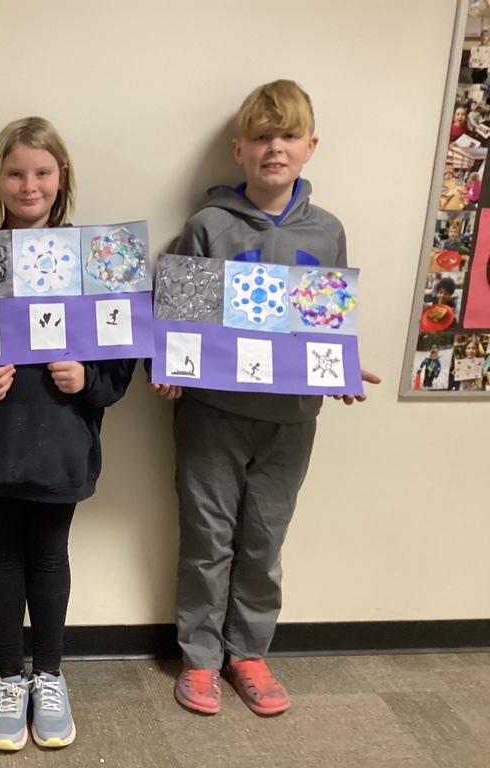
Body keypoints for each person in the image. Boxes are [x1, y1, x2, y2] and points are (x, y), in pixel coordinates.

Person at [151, 81, 380, 717]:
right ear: (239, 149)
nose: (273, 148)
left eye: (286, 136)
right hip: (211, 415)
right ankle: (199, 658)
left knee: (264, 540)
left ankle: (247, 652)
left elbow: (325, 325)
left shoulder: (327, 231)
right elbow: (177, 319)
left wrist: (343, 369)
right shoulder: (208, 226)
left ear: (310, 147)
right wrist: (170, 365)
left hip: (291, 418)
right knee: (207, 537)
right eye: (260, 137)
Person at [0, 117, 135, 751]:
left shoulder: (97, 259)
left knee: (49, 555)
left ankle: (50, 674)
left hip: (63, 439)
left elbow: (121, 358)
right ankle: (8, 676)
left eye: (42, 172)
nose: (29, 184)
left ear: (61, 177)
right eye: (15, 172)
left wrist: (86, 379)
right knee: (0, 554)